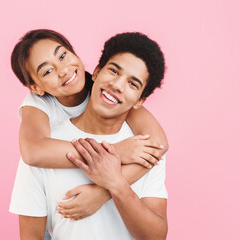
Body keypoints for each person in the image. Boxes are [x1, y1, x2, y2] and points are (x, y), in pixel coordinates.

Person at [10, 32, 168, 239]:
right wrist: (115, 153)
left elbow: (159, 144)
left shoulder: (142, 148)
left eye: (133, 84)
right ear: (96, 72)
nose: (63, 71)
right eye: (47, 70)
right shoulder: (43, 137)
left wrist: (110, 186)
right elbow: (33, 153)